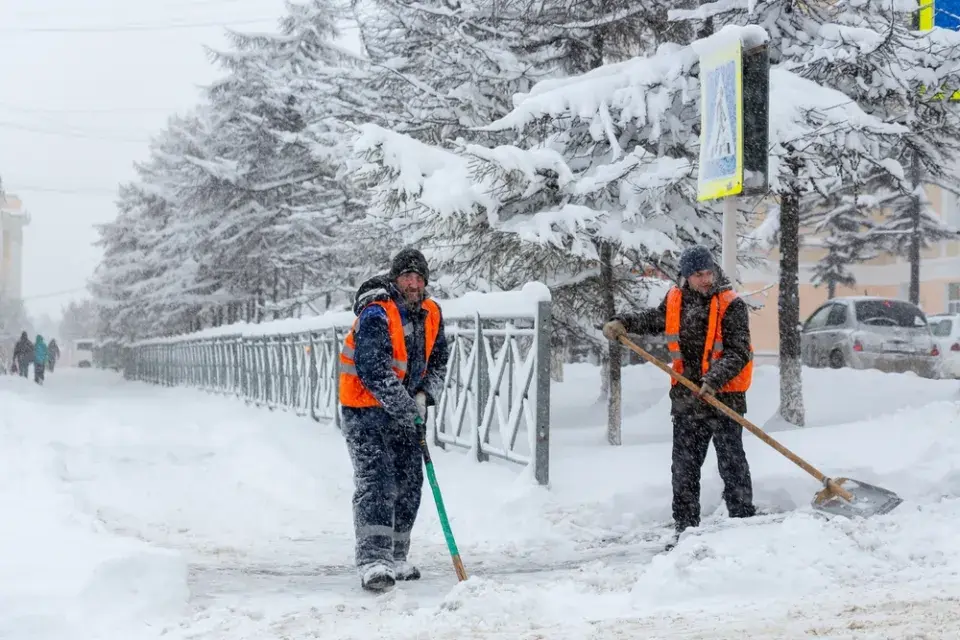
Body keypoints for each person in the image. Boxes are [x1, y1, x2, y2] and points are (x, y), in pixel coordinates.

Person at [602, 244, 757, 536]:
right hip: (688, 399)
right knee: (684, 469)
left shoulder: (731, 304)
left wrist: (713, 380)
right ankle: (685, 529)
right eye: (698, 274)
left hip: (724, 396)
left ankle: (743, 526)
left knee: (732, 464)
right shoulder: (675, 299)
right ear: (685, 276)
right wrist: (624, 322)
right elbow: (655, 319)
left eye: (708, 272)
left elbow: (738, 353)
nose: (705, 279)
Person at [339, 248, 450, 592]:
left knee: (408, 482)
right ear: (395, 278)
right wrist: (406, 407)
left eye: (419, 278)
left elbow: (440, 360)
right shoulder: (378, 311)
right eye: (407, 277)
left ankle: (397, 556)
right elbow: (372, 369)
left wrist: (424, 395)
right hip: (365, 409)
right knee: (378, 481)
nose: (414, 284)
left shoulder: (432, 312)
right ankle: (374, 560)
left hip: (404, 409)